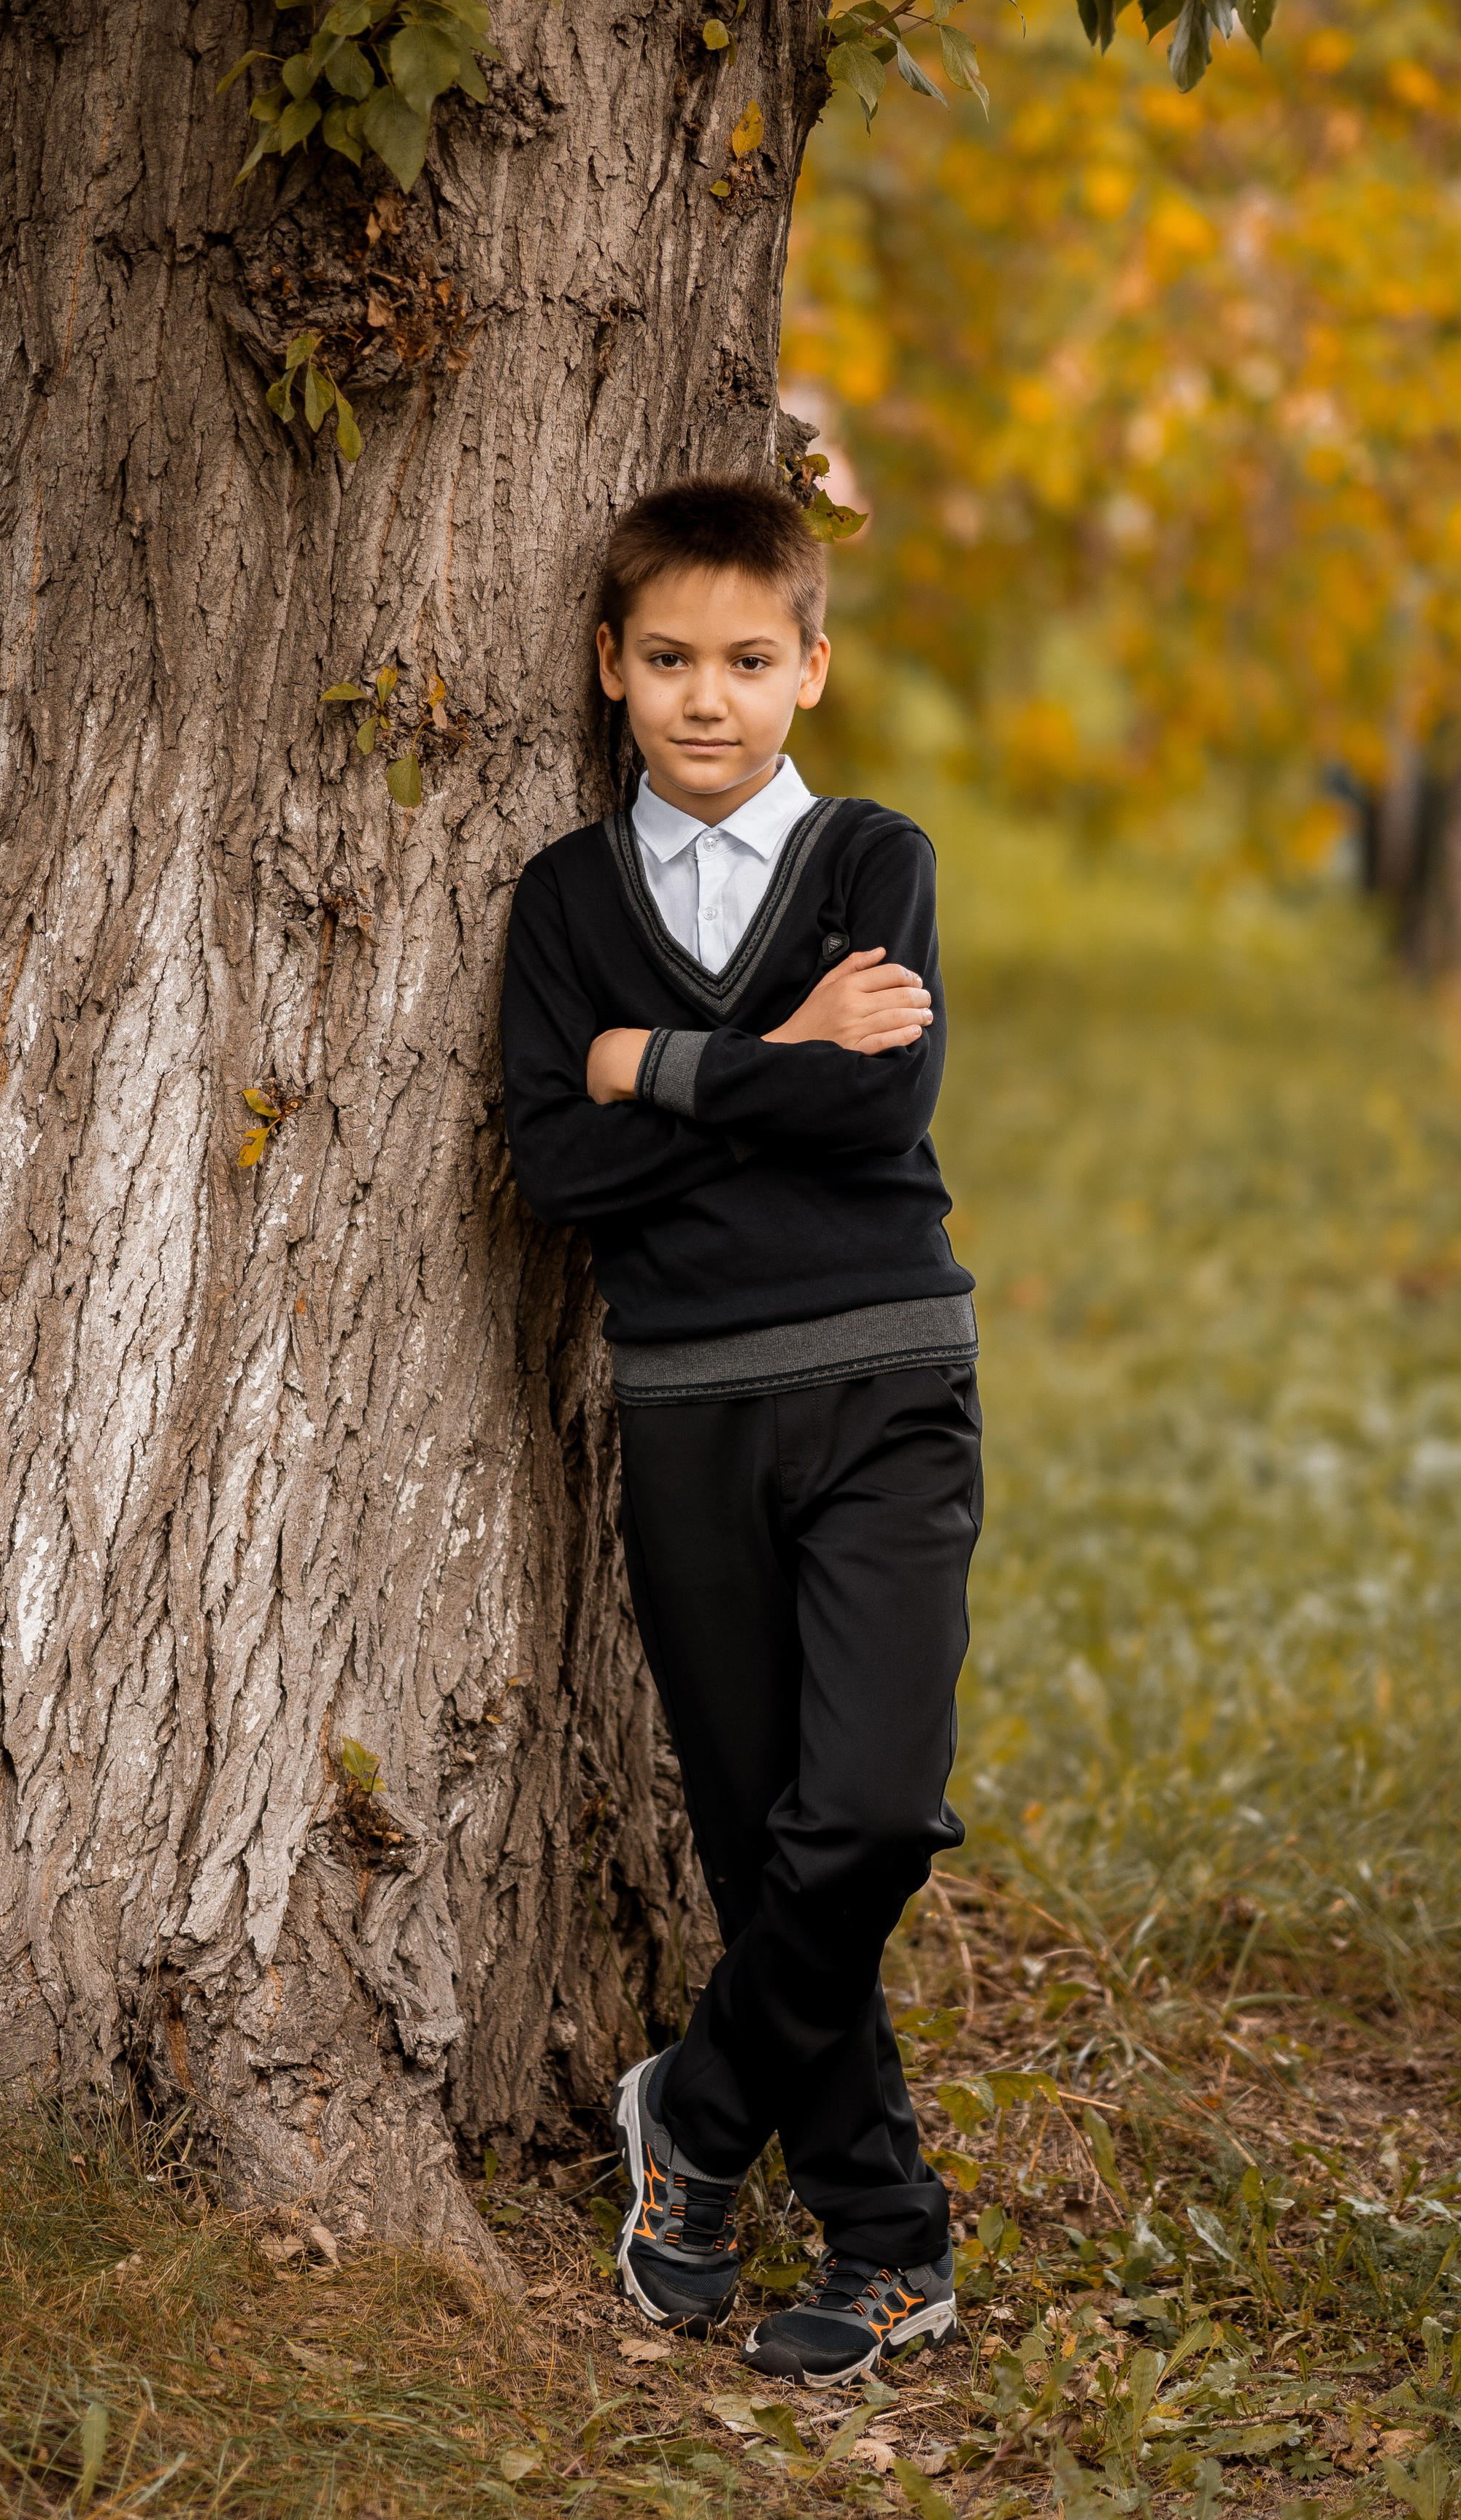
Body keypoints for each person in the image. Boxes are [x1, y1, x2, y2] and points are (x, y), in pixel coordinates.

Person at [498, 476, 982, 2388]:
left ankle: (695, 2115)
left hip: (887, 1382)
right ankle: (889, 2237)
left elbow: (885, 1115)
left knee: (867, 1814)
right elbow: (556, 1164)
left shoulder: (875, 860)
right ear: (613, 670)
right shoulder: (561, 903)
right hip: (688, 1410)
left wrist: (665, 1067)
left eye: (752, 660)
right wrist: (781, 1058)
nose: (712, 698)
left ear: (814, 671)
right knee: (756, 1835)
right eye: (673, 660)